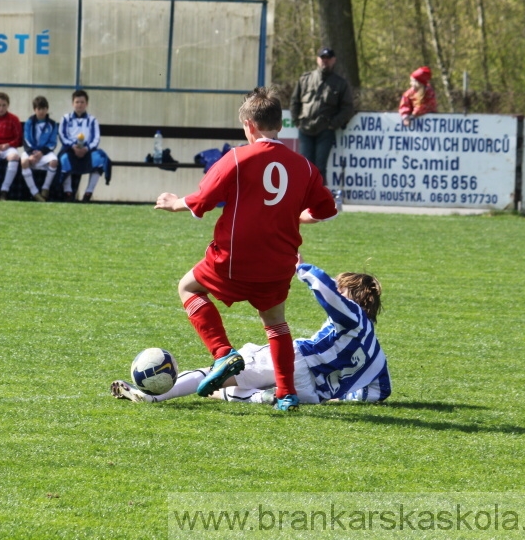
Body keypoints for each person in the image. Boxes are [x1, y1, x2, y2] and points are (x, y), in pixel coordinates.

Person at [154, 87, 338, 412]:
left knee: (188, 287)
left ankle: (223, 354)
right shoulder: (305, 168)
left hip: (234, 259)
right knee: (276, 324)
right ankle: (286, 393)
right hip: (280, 263)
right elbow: (326, 209)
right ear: (279, 125)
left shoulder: (238, 157)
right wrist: (296, 214)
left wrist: (173, 203)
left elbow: (203, 199)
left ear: (249, 126)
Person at [111, 258, 390, 405]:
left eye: (342, 290)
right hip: (313, 393)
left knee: (218, 372)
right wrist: (344, 398)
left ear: (352, 296)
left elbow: (324, 289)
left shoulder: (352, 314)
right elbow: (381, 391)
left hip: (296, 363)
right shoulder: (374, 348)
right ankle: (259, 397)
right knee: (237, 388)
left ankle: (152, 396)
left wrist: (300, 268)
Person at [289, 47, 355, 185]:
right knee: (305, 166)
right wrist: (297, 121)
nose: (325, 61)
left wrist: (333, 124)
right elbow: (294, 101)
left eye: (328, 58)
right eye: (322, 58)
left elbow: (347, 108)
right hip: (305, 129)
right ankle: (303, 200)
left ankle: (319, 202)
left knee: (320, 167)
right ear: (317, 59)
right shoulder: (305, 79)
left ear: (334, 60)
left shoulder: (340, 83)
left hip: (325, 130)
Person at [58, 89, 106, 202]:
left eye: (82, 102)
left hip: (87, 150)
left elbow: (96, 138)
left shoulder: (92, 120)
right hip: (70, 149)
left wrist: (86, 148)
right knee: (63, 159)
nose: (79, 105)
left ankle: (88, 193)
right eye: (77, 102)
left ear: (87, 104)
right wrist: (73, 147)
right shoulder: (65, 119)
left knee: (100, 160)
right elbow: (62, 135)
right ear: (72, 103)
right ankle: (68, 193)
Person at [20, 95, 59, 202]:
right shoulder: (29, 122)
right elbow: (26, 139)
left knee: (54, 161)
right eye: (38, 109)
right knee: (24, 162)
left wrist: (41, 153)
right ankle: (34, 192)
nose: (41, 111)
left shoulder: (52, 124)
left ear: (47, 109)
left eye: (43, 109)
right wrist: (32, 153)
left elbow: (53, 143)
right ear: (34, 110)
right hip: (31, 151)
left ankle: (45, 189)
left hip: (44, 152)